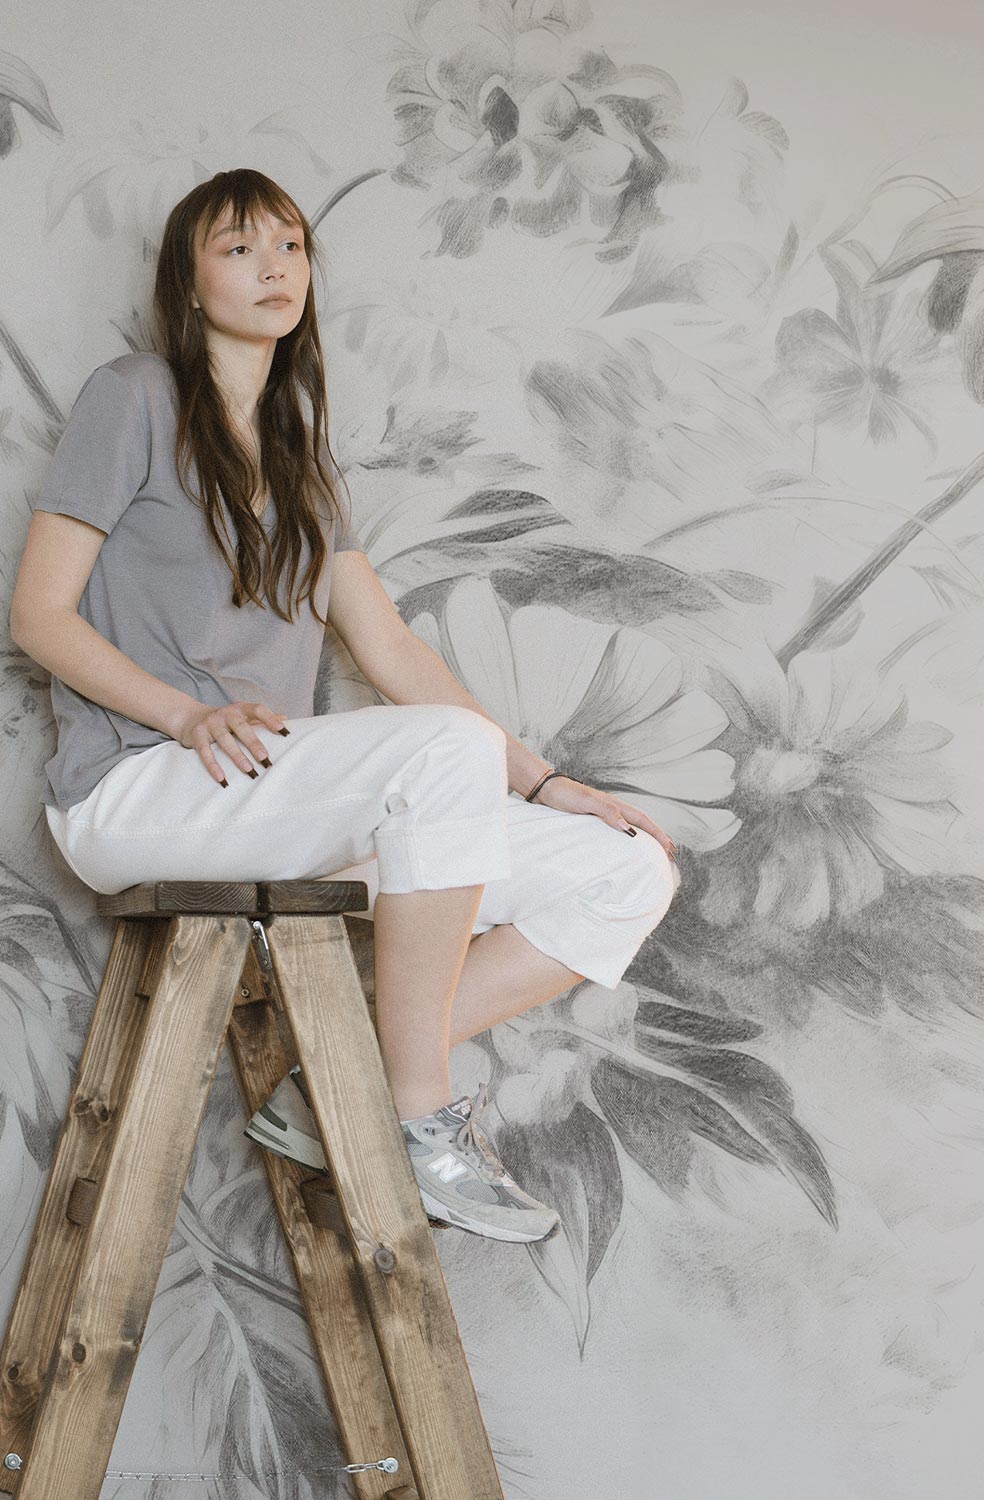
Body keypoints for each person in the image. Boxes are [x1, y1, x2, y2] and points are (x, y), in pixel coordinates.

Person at [10, 168, 681, 1246]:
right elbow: (40, 614)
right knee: (439, 754)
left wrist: (551, 785)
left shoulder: (302, 455)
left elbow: (391, 648)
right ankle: (414, 1115)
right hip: (139, 791)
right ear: (186, 284)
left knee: (626, 868)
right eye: (237, 248)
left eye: (290, 246)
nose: (273, 266)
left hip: (272, 803)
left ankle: (340, 1082)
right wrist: (182, 717)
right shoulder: (132, 394)